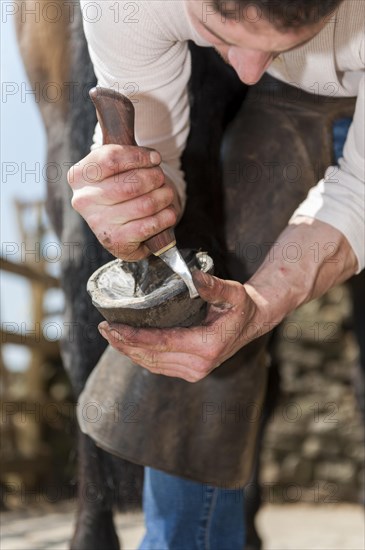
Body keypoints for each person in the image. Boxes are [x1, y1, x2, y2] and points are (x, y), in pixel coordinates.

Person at [68, 1, 364, 547]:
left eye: (279, 37)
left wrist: (270, 302)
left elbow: (359, 195)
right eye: (217, 30)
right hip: (287, 100)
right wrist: (132, 202)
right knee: (204, 297)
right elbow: (158, 152)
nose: (244, 69)